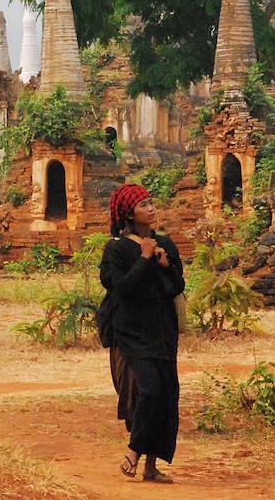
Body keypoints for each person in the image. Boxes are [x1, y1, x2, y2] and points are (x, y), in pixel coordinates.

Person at [98, 183, 185, 483]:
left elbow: (177, 287)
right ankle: (134, 450)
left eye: (151, 202)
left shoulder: (166, 244)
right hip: (132, 332)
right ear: (129, 214)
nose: (152, 208)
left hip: (163, 331)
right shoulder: (117, 248)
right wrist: (144, 258)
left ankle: (150, 466)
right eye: (144, 205)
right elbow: (122, 290)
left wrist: (164, 264)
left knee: (166, 395)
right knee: (148, 390)